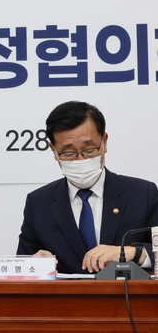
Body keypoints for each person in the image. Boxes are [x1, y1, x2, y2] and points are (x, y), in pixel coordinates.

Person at [17, 101, 158, 274]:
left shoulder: (142, 194)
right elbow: (19, 271)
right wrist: (33, 264)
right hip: (64, 292)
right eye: (68, 153)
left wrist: (134, 252)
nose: (80, 160)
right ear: (53, 151)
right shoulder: (38, 203)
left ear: (104, 142)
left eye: (89, 150)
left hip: (125, 292)